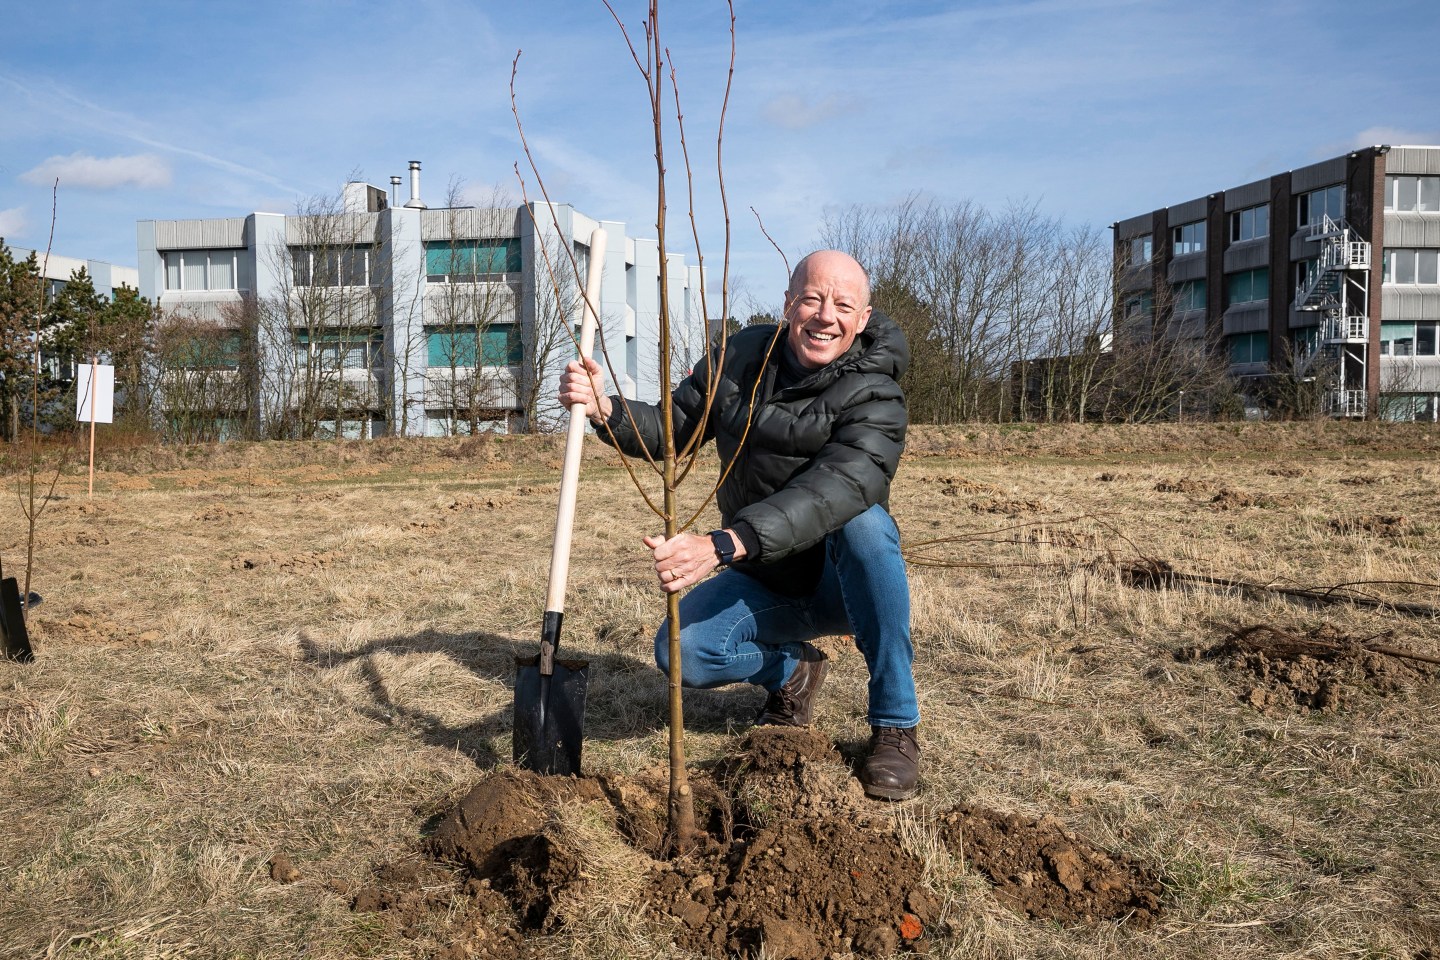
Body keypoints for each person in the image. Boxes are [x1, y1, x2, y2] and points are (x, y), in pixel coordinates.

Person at [558, 250, 919, 800]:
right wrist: (606, 408)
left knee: (864, 524)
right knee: (682, 654)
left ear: (863, 319)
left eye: (844, 305)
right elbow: (674, 426)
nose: (826, 316)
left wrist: (725, 544)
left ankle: (895, 724)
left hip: (837, 582)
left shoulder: (878, 394)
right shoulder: (740, 357)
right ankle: (792, 674)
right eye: (812, 298)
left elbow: (839, 488)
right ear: (789, 303)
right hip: (765, 576)